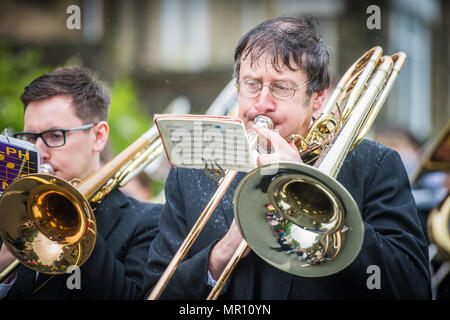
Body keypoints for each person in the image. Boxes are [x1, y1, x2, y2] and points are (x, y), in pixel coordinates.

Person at [142, 16, 431, 300]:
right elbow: (155, 290)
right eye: (252, 84)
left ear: (317, 97)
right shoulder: (192, 172)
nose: (262, 104)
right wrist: (222, 254)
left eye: (281, 88)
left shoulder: (374, 166)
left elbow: (411, 286)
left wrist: (313, 194)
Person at [0, 66, 162, 300]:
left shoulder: (147, 222)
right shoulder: (11, 212)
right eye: (30, 138)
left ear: (98, 137)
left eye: (55, 136)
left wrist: (74, 226)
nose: (38, 151)